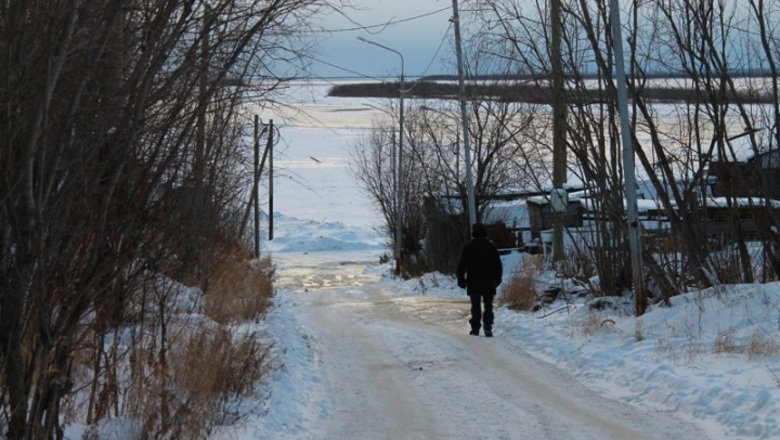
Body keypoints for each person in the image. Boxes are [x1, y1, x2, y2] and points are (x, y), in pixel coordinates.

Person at [456, 223, 503, 337]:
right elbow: (498, 266)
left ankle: (475, 328)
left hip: (473, 281)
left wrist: (461, 280)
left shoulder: (468, 247)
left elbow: (461, 266)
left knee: (475, 306)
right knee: (488, 306)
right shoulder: (491, 247)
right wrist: (497, 280)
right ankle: (488, 327)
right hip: (489, 281)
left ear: (473, 233)